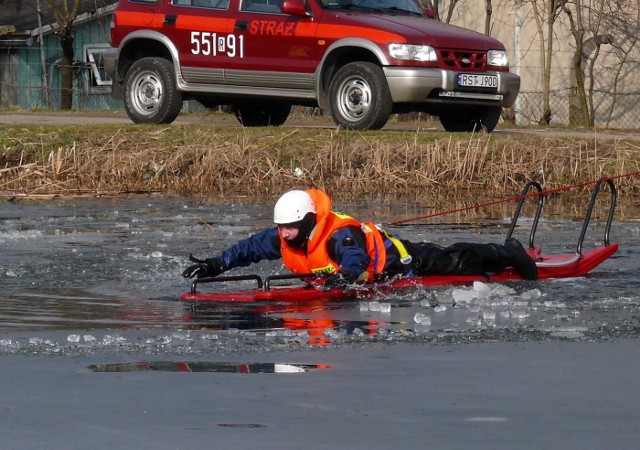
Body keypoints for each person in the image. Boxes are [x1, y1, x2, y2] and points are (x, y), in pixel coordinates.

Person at [182, 188, 538, 288]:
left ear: (307, 221)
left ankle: (507, 252)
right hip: (343, 280)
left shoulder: (340, 234)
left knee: (457, 261)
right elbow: (248, 250)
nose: (284, 235)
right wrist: (217, 264)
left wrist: (344, 278)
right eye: (281, 228)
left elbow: (356, 260)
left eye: (290, 227)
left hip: (401, 261)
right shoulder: (283, 235)